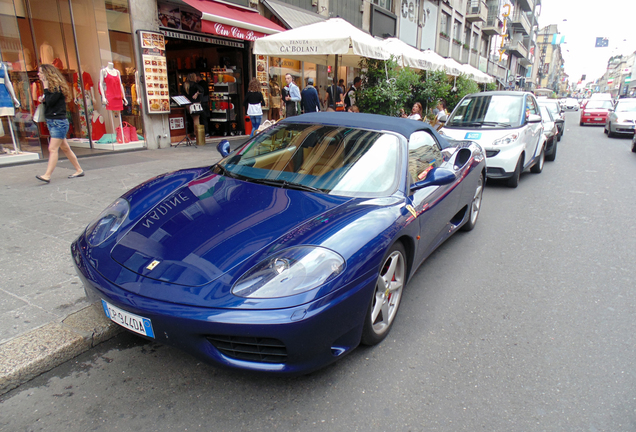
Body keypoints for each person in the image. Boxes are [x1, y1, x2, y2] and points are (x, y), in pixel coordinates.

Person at [35, 64, 83, 183]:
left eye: (40, 72)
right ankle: (79, 170)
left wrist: (45, 90)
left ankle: (47, 175)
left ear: (47, 73)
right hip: (53, 121)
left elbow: (51, 102)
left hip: (58, 122)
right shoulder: (53, 88)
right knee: (65, 148)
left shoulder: (57, 88)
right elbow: (50, 104)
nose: (38, 74)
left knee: (52, 148)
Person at [183, 73, 203, 137]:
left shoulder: (185, 85)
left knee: (192, 119)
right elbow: (202, 90)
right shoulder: (194, 85)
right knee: (196, 119)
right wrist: (197, 93)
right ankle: (197, 134)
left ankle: (194, 132)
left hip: (188, 104)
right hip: (195, 104)